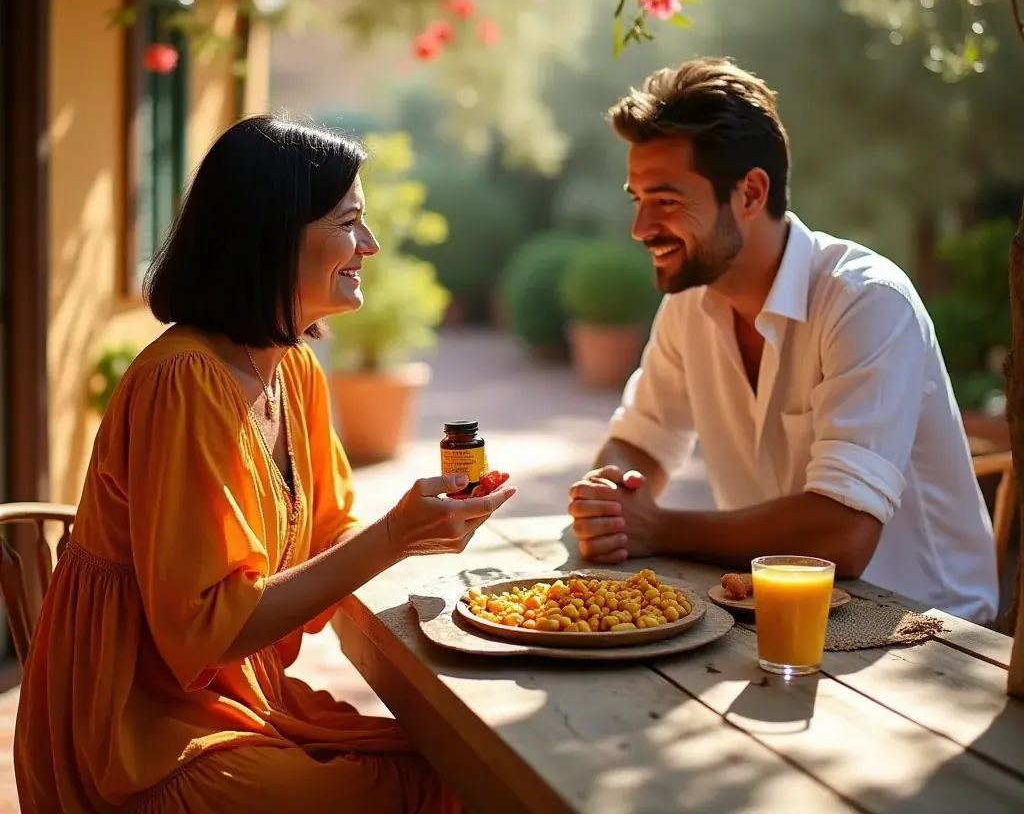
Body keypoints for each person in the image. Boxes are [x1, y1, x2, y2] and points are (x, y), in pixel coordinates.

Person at [15, 116, 514, 813]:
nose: (368, 245)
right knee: (441, 783)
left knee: (460, 758)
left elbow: (333, 534)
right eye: (349, 223)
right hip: (137, 733)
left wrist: (428, 530)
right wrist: (395, 534)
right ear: (273, 235)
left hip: (241, 698)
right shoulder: (183, 381)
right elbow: (206, 634)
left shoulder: (295, 370)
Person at [566, 57, 999, 624]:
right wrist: (610, 495)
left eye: (666, 201)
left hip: (928, 634)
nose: (640, 227)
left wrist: (657, 526)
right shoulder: (688, 307)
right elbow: (640, 445)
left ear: (749, 193)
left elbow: (842, 534)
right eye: (637, 199)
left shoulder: (866, 300)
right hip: (774, 615)